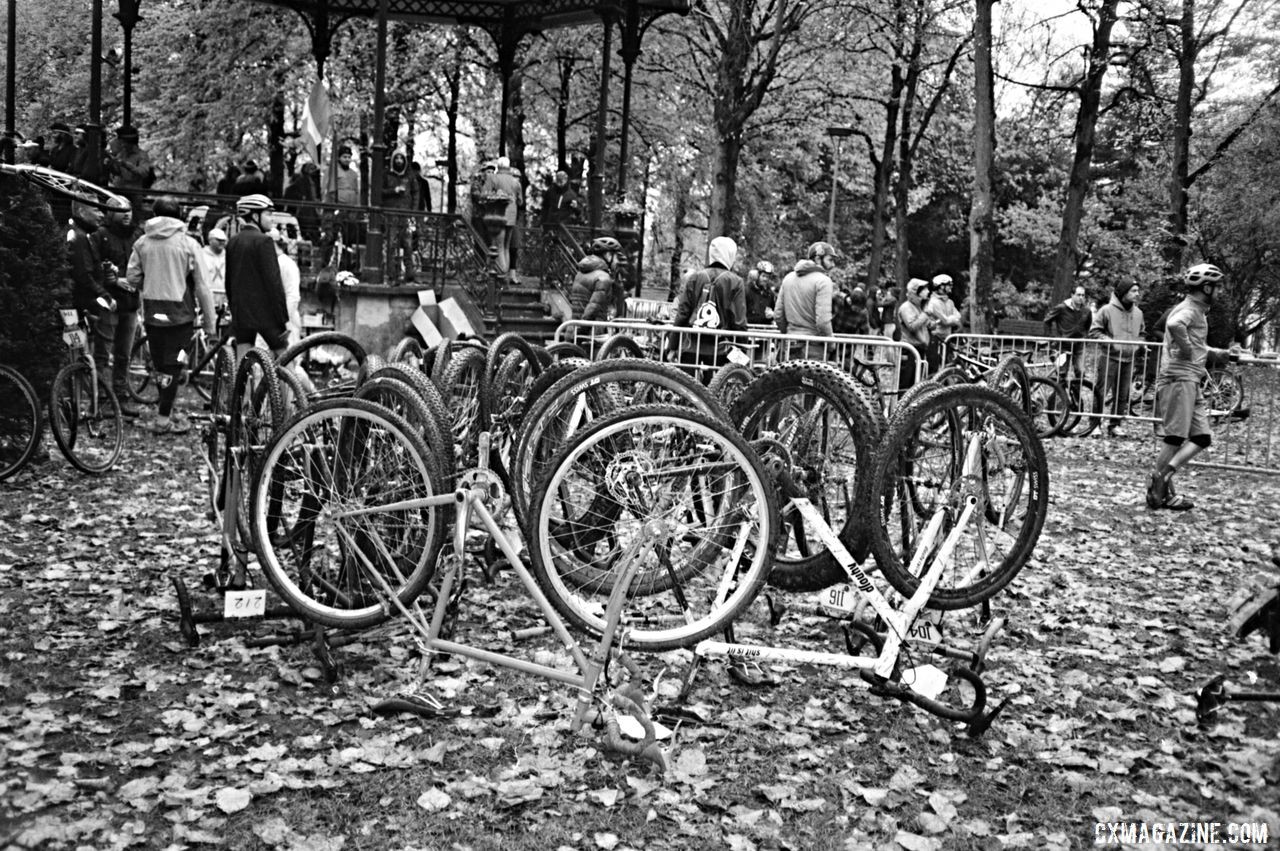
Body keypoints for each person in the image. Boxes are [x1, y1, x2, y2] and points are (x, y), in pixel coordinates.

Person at [1145, 264, 1240, 511]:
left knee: (1201, 437)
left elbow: (1198, 345)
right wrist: (1187, 350)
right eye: (1217, 287)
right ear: (1206, 287)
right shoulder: (1189, 310)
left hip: (1191, 379)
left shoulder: (1197, 310)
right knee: (1175, 437)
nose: (1219, 291)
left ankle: (1163, 478)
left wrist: (1222, 354)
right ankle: (1159, 489)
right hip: (1179, 379)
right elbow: (1175, 325)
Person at [125, 196, 216, 435]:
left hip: (153, 312)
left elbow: (133, 277)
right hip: (181, 315)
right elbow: (202, 286)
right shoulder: (188, 244)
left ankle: (165, 409)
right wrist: (210, 323)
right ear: (179, 215)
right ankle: (164, 417)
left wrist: (151, 283)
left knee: (160, 364)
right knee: (175, 363)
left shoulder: (142, 243)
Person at [91, 196, 142, 417]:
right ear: (110, 213)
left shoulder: (137, 236)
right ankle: (101, 401)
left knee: (124, 354)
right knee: (102, 353)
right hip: (109, 302)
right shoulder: (99, 236)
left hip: (130, 303)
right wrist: (111, 279)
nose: (127, 214)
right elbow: (91, 268)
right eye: (121, 210)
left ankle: (120, 397)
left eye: (129, 210)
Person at [224, 194, 289, 359]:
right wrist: (282, 320)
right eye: (268, 214)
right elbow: (274, 283)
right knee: (286, 361)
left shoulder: (233, 242)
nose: (272, 219)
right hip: (266, 315)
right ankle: (287, 386)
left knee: (242, 365)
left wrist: (234, 311)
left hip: (242, 314)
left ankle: (239, 386)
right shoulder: (264, 242)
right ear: (255, 216)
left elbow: (229, 282)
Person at [672, 236, 747, 365]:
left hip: (691, 346)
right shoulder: (735, 282)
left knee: (685, 384)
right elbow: (738, 321)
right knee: (715, 384)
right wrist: (742, 349)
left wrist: (673, 345)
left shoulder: (695, 277)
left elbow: (682, 313)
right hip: (720, 349)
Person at [1090, 280, 1145, 437]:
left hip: (1129, 359)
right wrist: (1106, 340)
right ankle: (1095, 425)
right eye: (1133, 291)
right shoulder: (1106, 310)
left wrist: (1140, 344)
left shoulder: (1139, 313)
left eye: (1137, 291)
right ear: (1123, 293)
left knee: (1123, 394)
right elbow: (1094, 331)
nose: (1137, 294)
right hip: (1109, 357)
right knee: (1101, 392)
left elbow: (1142, 333)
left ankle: (1115, 425)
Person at [774, 242, 837, 351]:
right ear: (818, 259)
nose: (833, 265)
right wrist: (831, 344)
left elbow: (778, 315)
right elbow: (822, 321)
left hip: (789, 345)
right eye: (830, 260)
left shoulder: (788, 278)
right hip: (813, 346)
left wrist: (789, 332)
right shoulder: (823, 281)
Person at [482, 155, 523, 282]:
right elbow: (520, 201)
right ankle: (504, 273)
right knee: (506, 246)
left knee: (498, 245)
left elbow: (484, 195)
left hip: (497, 215)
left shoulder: (493, 178)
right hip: (512, 216)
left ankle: (500, 274)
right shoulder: (516, 182)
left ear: (498, 166)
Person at [382, 150, 420, 283]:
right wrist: (394, 191)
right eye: (396, 158)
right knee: (391, 245)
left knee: (408, 245)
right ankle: (391, 275)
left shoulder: (409, 176)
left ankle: (409, 274)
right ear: (393, 160)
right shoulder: (386, 175)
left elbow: (416, 194)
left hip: (406, 215)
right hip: (391, 215)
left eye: (401, 158)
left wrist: (413, 213)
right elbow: (380, 192)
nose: (399, 161)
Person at [1044, 283, 1092, 379]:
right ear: (1072, 295)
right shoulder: (1062, 308)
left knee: (1080, 371)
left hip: (1079, 344)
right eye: (1078, 295)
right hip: (1064, 345)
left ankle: (1076, 393)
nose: (1081, 298)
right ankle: (1060, 393)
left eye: (1083, 295)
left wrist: (1085, 337)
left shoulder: (1087, 311)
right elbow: (1047, 321)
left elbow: (1088, 326)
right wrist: (1050, 338)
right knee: (1062, 372)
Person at [569, 236, 622, 321]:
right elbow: (592, 309)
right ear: (608, 255)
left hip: (573, 328)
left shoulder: (581, 272)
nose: (617, 262)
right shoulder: (603, 278)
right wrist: (581, 329)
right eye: (616, 257)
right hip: (589, 332)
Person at [896, 278, 935, 387]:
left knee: (916, 383)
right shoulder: (906, 307)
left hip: (919, 348)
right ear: (916, 291)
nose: (927, 291)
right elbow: (912, 326)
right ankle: (901, 403)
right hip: (909, 349)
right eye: (924, 289)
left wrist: (931, 323)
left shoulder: (918, 307)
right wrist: (925, 314)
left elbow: (924, 324)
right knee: (905, 382)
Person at [925, 273, 963, 372]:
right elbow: (945, 321)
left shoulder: (950, 302)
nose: (951, 287)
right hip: (936, 338)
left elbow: (958, 316)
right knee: (935, 366)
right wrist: (952, 319)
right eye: (949, 285)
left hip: (947, 338)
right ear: (941, 286)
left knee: (948, 364)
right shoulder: (934, 302)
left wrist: (951, 319)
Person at [107, 125, 155, 192]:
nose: (122, 145)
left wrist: (127, 165)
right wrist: (112, 165)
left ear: (130, 142)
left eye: (123, 142)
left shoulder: (142, 155)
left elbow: (143, 172)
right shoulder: (122, 154)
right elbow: (118, 172)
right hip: (118, 190)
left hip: (133, 193)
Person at [202, 228, 229, 307]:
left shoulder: (229, 256)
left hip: (224, 297)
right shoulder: (201, 255)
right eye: (218, 240)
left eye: (223, 240)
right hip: (206, 296)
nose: (221, 242)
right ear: (210, 240)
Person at [744, 261, 776, 325]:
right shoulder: (747, 290)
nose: (765, 279)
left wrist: (772, 314)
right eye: (763, 276)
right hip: (749, 328)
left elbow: (774, 310)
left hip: (764, 329)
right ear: (757, 275)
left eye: (768, 277)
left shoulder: (770, 294)